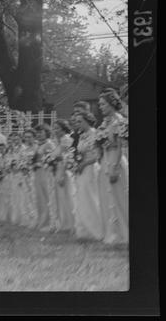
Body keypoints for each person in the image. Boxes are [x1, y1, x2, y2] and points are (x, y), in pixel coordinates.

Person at [96, 90, 129, 245]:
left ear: (111, 104)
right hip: (105, 161)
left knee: (119, 198)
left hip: (115, 160)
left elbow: (122, 147)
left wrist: (115, 167)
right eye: (100, 104)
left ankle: (123, 234)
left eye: (103, 104)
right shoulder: (104, 123)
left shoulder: (120, 121)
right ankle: (111, 234)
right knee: (107, 198)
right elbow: (102, 142)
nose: (100, 107)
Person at [73, 111, 104, 241]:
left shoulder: (95, 134)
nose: (77, 124)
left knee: (92, 197)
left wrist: (84, 163)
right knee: (82, 197)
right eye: (76, 121)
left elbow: (98, 155)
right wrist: (76, 162)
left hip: (92, 168)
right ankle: (84, 231)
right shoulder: (82, 136)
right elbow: (79, 152)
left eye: (79, 121)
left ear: (87, 121)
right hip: (82, 169)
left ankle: (97, 230)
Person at [50, 120, 75, 233]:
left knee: (66, 196)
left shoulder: (66, 140)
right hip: (57, 169)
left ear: (63, 129)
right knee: (59, 197)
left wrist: (61, 173)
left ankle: (69, 224)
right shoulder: (57, 141)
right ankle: (62, 223)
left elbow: (66, 157)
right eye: (54, 128)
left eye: (57, 128)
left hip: (63, 169)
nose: (55, 131)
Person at [33, 123, 56, 232]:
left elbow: (52, 160)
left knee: (47, 197)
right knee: (40, 198)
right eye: (37, 133)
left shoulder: (49, 144)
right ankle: (42, 221)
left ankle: (50, 222)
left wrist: (42, 164)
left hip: (46, 173)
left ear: (46, 133)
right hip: (38, 173)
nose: (38, 135)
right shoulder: (38, 145)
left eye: (41, 132)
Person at [17, 130, 38, 229]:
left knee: (35, 197)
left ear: (34, 137)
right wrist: (22, 167)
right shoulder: (23, 150)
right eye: (26, 137)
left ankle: (37, 219)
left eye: (30, 137)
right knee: (27, 197)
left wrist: (31, 166)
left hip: (35, 175)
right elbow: (20, 161)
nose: (28, 139)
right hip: (25, 175)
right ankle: (29, 219)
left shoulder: (38, 148)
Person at [6, 132, 24, 226]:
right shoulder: (12, 150)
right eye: (13, 140)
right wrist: (9, 166)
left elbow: (23, 161)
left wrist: (18, 167)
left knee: (21, 196)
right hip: (13, 174)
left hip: (21, 174)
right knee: (14, 196)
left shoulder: (23, 149)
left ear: (21, 139)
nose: (15, 141)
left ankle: (22, 218)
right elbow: (8, 160)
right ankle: (15, 218)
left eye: (17, 139)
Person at [0, 142, 11, 223]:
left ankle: (8, 217)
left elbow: (8, 168)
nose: (0, 150)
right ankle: (1, 217)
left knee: (7, 198)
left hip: (7, 180)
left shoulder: (9, 157)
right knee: (0, 199)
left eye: (2, 148)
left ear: (5, 148)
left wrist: (2, 175)